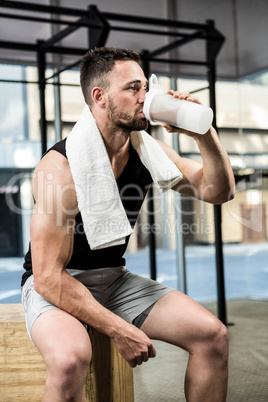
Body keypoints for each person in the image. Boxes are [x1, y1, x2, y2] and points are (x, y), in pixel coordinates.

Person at [21, 46, 235, 402]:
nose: (145, 98)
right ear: (100, 97)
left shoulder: (147, 150)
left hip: (114, 278)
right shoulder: (59, 169)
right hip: (60, 284)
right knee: (71, 360)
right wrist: (118, 328)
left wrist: (203, 132)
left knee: (212, 335)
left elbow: (218, 191)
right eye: (133, 88)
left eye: (145, 88)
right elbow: (47, 277)